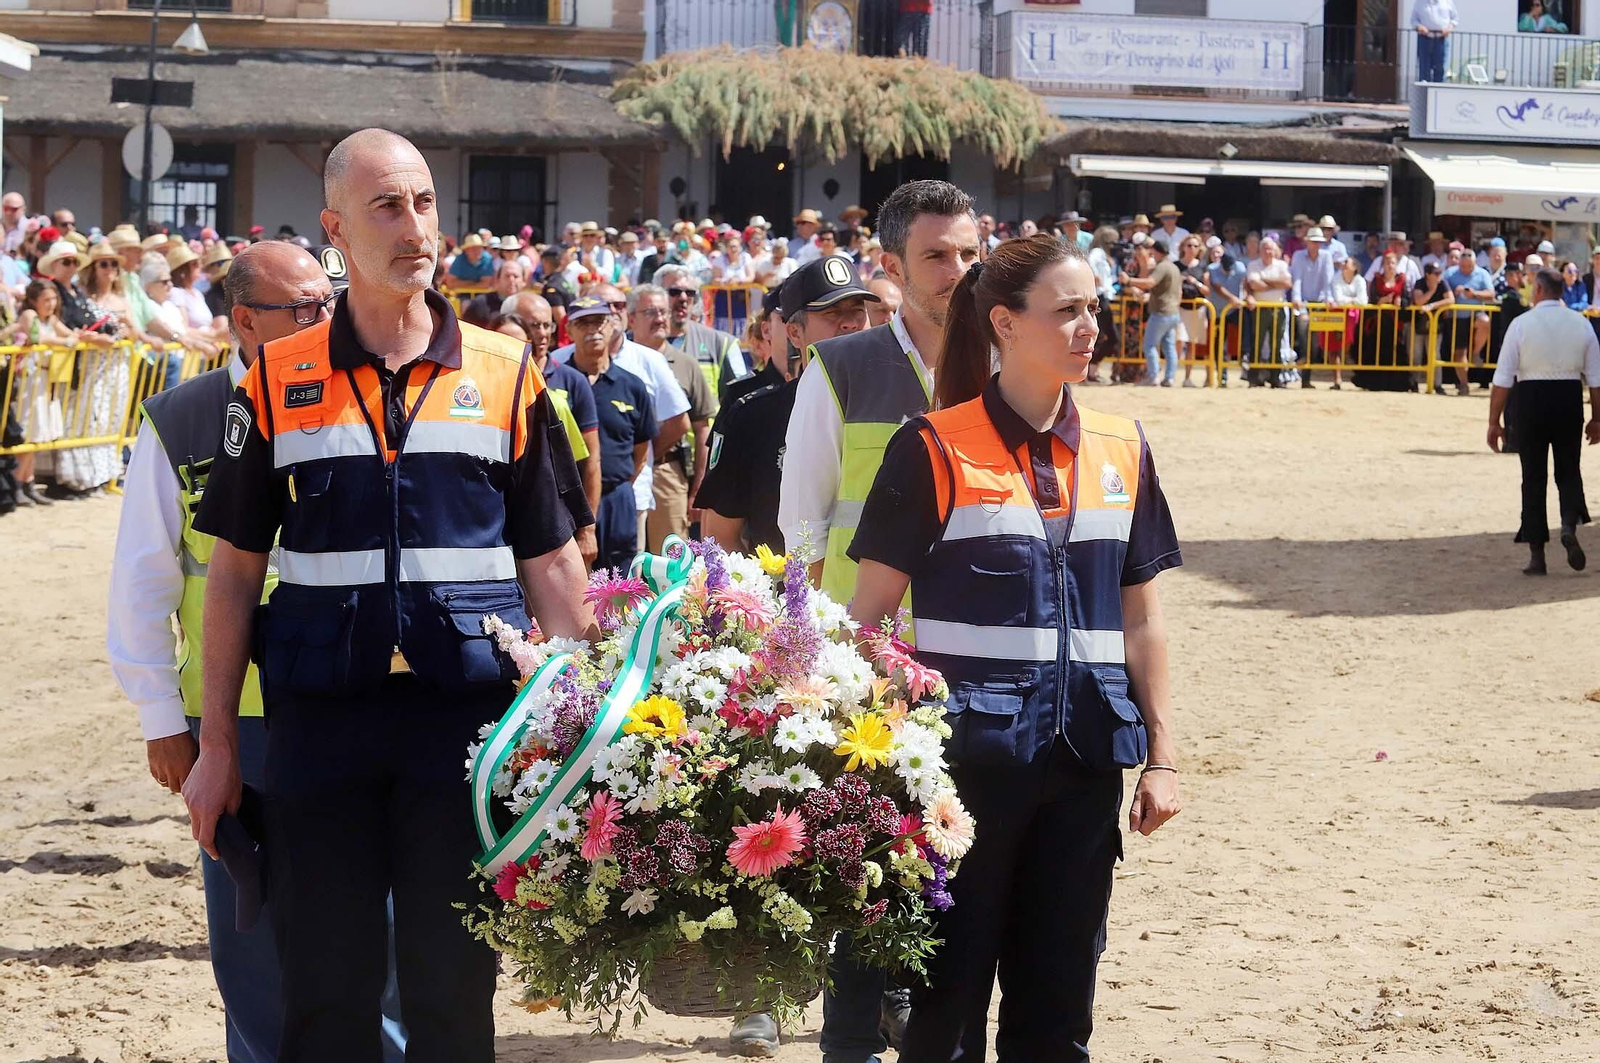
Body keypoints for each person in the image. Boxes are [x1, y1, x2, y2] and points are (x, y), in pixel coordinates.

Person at [181, 128, 595, 1061]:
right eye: (386, 206)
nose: (415, 227)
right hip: (320, 726)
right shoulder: (275, 379)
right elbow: (234, 573)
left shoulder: (506, 371)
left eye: (424, 203)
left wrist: (598, 729)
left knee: (454, 987)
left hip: (467, 730)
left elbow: (553, 563)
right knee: (325, 988)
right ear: (335, 229)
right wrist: (219, 744)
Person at [847, 234, 1181, 1062]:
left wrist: (1163, 756)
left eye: (1093, 308)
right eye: (1066, 311)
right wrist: (880, 754)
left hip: (1086, 768)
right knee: (943, 1016)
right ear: (1004, 322)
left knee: (1058, 1018)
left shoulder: (1125, 446)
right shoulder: (930, 445)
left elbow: (1142, 620)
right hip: (963, 782)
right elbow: (867, 622)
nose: (1089, 327)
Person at [109, 239, 413, 1063]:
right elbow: (142, 580)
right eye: (305, 308)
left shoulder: (369, 392)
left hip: (357, 699)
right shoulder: (182, 420)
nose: (327, 318)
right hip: (237, 724)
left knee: (378, 915)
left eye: (330, 301)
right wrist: (161, 717)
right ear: (244, 320)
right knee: (254, 930)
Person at [780, 181, 980, 1063]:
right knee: (867, 874)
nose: (957, 270)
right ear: (891, 266)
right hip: (871, 667)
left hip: (977, 659)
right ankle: (852, 1045)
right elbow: (803, 527)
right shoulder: (841, 367)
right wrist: (816, 661)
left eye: (969, 253)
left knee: (960, 871)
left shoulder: (1008, 367)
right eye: (937, 255)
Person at [698, 256, 878, 561]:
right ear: (794, 333)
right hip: (782, 588)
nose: (850, 323)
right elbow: (720, 537)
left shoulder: (902, 403)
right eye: (832, 313)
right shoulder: (752, 416)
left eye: (857, 311)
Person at [1488, 267, 1600, 574]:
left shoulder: (1521, 324)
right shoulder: (1581, 324)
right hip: (1568, 398)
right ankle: (1568, 526)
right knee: (1569, 470)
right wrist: (1597, 419)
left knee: (1533, 476)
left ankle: (1537, 555)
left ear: (1538, 290)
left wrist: (1494, 421)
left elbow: (1502, 379)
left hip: (1531, 399)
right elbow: (1596, 379)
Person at [499, 290, 601, 568]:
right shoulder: (479, 385)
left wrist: (586, 529)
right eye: (534, 325)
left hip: (552, 523)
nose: (542, 334)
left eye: (547, 325)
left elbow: (588, 461)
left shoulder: (562, 391)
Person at [564, 295, 656, 570]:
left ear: (612, 325)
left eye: (599, 321)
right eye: (583, 323)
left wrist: (617, 484)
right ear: (569, 330)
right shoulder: (558, 381)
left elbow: (641, 451)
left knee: (621, 581)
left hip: (617, 496)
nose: (592, 329)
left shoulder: (631, 385)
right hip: (568, 499)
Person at [630, 283, 718, 551]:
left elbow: (702, 429)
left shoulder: (687, 364)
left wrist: (698, 489)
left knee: (670, 561)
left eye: (663, 312)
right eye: (650, 312)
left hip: (667, 472)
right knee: (625, 559)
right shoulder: (618, 360)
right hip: (624, 474)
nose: (659, 319)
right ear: (631, 319)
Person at [654, 264, 750, 398]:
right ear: (656, 297)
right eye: (674, 292)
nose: (683, 298)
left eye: (690, 293)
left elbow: (741, 397)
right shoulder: (635, 342)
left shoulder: (722, 344)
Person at [1120, 237, 1182, 387]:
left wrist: (1129, 280)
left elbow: (1150, 282)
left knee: (1149, 345)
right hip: (1173, 312)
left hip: (1161, 312)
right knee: (1169, 348)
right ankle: (1169, 378)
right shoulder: (1174, 267)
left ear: (1156, 251)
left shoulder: (1162, 267)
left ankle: (1153, 377)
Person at [1442, 248, 1496, 393]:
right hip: (1457, 317)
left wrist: (1474, 294)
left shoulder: (1483, 273)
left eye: (1469, 266)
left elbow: (1491, 294)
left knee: (1485, 321)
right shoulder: (1450, 273)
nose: (1465, 269)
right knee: (1459, 353)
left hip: (1476, 313)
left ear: (1475, 263)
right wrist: (1454, 293)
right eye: (1463, 266)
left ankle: (1476, 352)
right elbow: (1441, 292)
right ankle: (1464, 384)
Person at [1290, 226, 1339, 387]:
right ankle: (1304, 368)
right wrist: (1296, 298)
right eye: (1313, 241)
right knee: (1304, 328)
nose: (1316, 244)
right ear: (1307, 242)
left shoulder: (1326, 256)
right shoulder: (1298, 256)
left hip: (1320, 302)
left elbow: (1328, 280)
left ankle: (1306, 373)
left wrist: (1329, 298)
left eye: (1319, 242)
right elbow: (1297, 279)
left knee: (1315, 341)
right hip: (1303, 301)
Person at [1244, 236, 1294, 387]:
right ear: (1260, 251)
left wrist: (1264, 280)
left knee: (1276, 344)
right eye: (1265, 249)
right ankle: (1253, 378)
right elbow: (1254, 284)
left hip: (1278, 307)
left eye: (1270, 249)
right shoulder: (1253, 265)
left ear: (1275, 251)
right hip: (1260, 308)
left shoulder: (1281, 265)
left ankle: (1275, 378)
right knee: (1257, 343)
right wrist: (1276, 283)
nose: (1268, 252)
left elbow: (1287, 283)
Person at [462, 257, 526, 326]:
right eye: (507, 276)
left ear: (524, 281)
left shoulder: (529, 306)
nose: (511, 280)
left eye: (516, 276)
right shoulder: (480, 304)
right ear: (497, 280)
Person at [1413, 0, 1458, 82]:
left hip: (1441, 40)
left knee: (1440, 69)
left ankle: (1439, 89)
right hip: (1425, 39)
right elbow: (1414, 20)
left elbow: (1454, 19)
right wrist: (1419, 27)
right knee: (1424, 69)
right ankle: (1424, 90)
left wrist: (1449, 28)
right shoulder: (1420, 2)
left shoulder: (1447, 2)